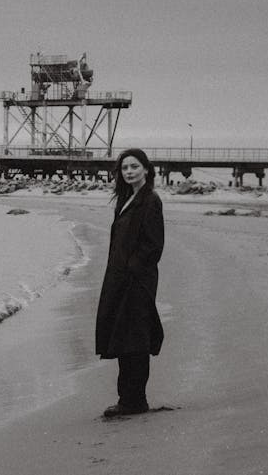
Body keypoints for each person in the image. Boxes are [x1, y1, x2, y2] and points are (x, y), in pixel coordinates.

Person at [95, 148, 165, 417]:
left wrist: (130, 269)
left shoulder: (150, 201)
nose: (129, 172)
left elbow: (153, 246)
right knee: (124, 338)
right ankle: (129, 398)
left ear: (146, 169)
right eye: (124, 168)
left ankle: (134, 401)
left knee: (135, 339)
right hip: (121, 279)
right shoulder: (127, 199)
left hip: (136, 281)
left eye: (134, 167)